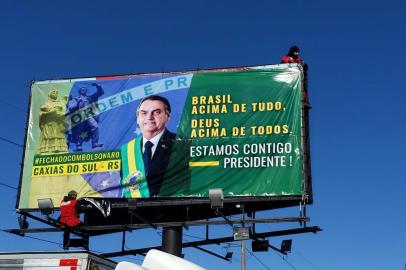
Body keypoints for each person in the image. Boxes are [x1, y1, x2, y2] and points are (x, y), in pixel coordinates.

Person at [121, 95, 176, 198]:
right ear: (137, 118)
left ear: (167, 116)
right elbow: (126, 188)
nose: (149, 117)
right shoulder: (127, 149)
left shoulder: (181, 144)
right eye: (144, 113)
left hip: (171, 209)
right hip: (135, 211)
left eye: (156, 112)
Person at [67, 83, 104, 151]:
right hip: (79, 116)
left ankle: (95, 143)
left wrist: (98, 86)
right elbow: (70, 107)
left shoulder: (89, 98)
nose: (83, 90)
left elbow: (100, 92)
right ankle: (79, 145)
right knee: (79, 130)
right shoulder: (76, 99)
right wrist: (77, 103)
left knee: (95, 126)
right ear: (79, 91)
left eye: (84, 89)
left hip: (87, 114)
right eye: (82, 89)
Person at [37, 90, 68, 154]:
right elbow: (42, 112)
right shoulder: (46, 103)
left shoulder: (59, 103)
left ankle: (59, 149)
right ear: (49, 94)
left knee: (58, 135)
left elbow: (63, 112)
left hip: (57, 124)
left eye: (57, 93)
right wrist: (52, 111)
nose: (55, 94)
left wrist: (59, 112)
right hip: (48, 124)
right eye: (53, 92)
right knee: (48, 136)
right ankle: (46, 150)